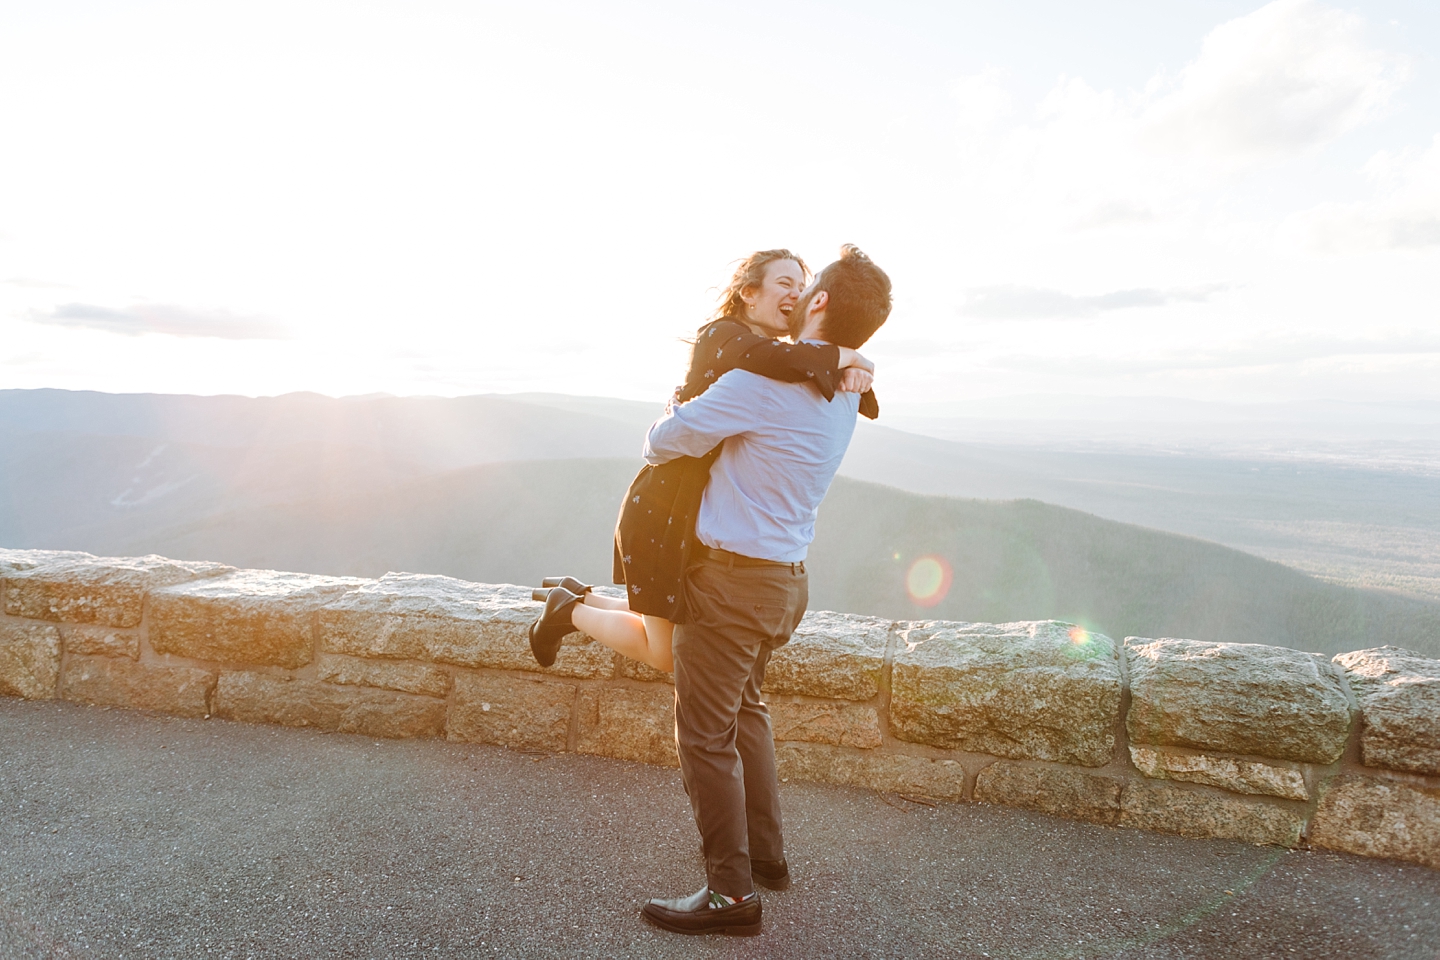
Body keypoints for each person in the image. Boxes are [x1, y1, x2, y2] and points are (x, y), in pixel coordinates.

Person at [636, 245, 893, 936]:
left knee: (705, 739)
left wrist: (679, 399)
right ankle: (768, 862)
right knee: (748, 713)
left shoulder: (763, 382)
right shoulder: (848, 388)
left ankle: (730, 895)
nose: (799, 293)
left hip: (729, 583)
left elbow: (664, 441)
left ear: (818, 305)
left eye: (806, 287)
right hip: (785, 581)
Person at [526, 250, 878, 672]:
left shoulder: (775, 358)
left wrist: (854, 365)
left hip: (688, 506)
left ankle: (577, 596)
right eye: (784, 283)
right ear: (748, 293)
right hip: (664, 505)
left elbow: (811, 370)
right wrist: (852, 357)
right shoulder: (725, 336)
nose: (796, 294)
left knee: (667, 613)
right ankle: (568, 611)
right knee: (665, 653)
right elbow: (792, 361)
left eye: (801, 287)